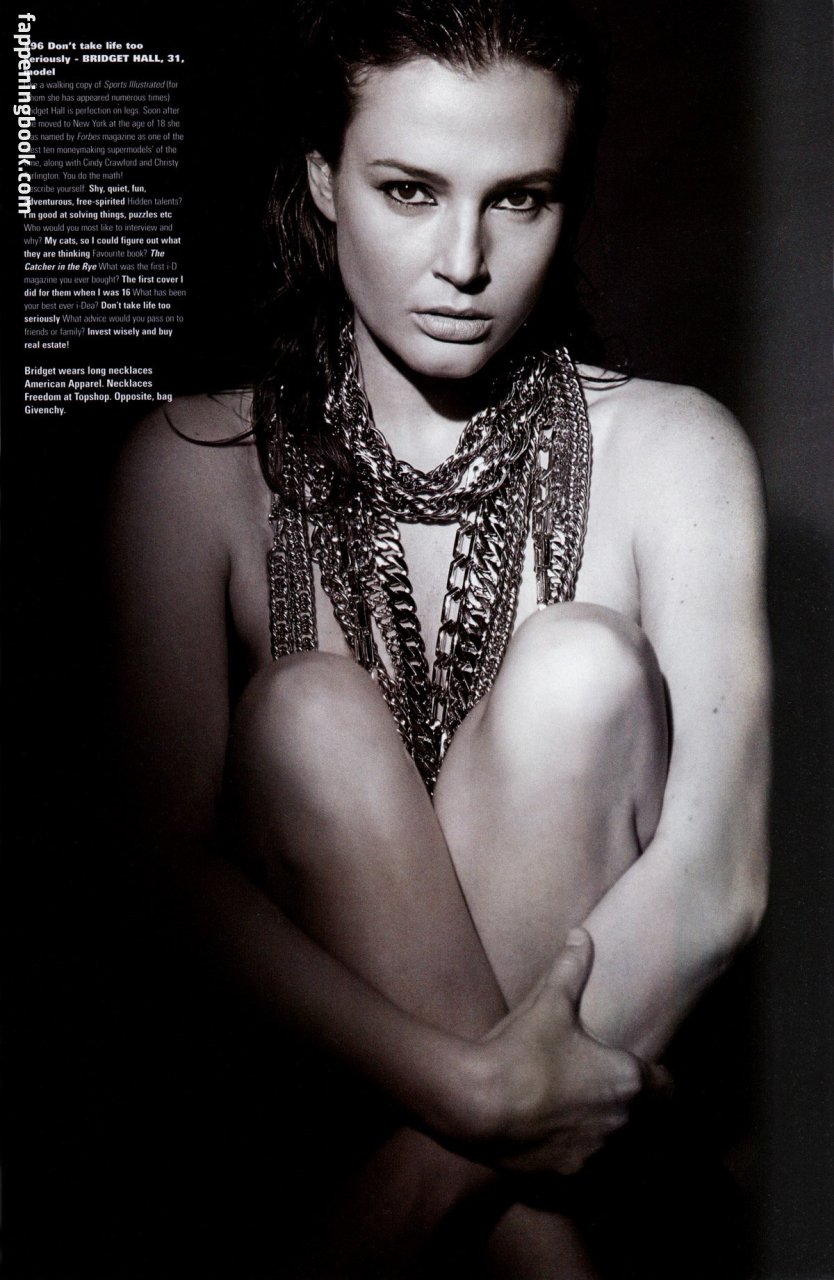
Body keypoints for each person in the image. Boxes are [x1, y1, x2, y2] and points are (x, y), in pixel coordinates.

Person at [108, 0, 770, 1274]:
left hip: (565, 1157)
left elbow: (721, 877)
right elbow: (159, 887)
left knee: (578, 672)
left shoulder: (676, 449)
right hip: (302, 1120)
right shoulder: (186, 468)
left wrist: (429, 1171)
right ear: (323, 179)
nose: (463, 260)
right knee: (307, 714)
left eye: (519, 199)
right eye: (409, 190)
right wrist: (467, 1090)